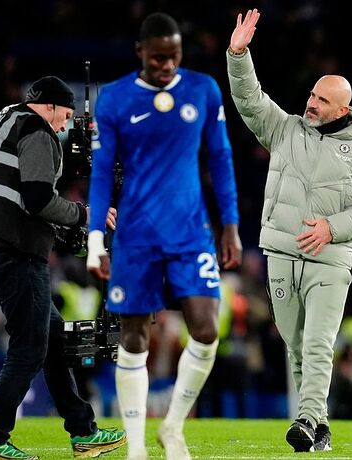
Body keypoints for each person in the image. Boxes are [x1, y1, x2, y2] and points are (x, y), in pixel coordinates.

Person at [227, 9, 352, 452]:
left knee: (319, 343)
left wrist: (333, 227)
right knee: (296, 347)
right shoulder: (285, 130)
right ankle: (318, 425)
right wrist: (238, 54)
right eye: (312, 94)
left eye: (321, 100)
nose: (311, 103)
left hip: (330, 262)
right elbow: (250, 100)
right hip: (281, 257)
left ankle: (304, 419)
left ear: (342, 109)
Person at [86, 12, 242, 460]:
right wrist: (97, 241)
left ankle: (172, 428)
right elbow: (100, 175)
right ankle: (136, 450)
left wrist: (229, 225)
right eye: (158, 59)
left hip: (191, 234)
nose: (166, 66)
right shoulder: (115, 99)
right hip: (135, 236)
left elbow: (221, 159)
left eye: (173, 57)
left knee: (207, 329)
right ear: (140, 53)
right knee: (133, 337)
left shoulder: (203, 90)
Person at [0, 75, 125, 459]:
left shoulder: (2, 122)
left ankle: (83, 431)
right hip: (14, 254)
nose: (65, 126)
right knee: (30, 349)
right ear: (49, 105)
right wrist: (85, 214)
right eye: (65, 115)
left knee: (52, 346)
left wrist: (63, 231)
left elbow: (14, 195)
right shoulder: (37, 130)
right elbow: (36, 199)